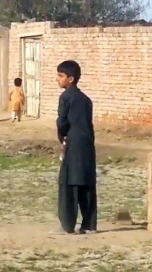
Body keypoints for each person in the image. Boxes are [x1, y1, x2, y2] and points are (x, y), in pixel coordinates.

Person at [51, 60, 97, 235]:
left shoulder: (65, 97)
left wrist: (62, 137)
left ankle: (67, 225)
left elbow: (62, 122)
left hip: (73, 143)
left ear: (71, 79)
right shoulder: (86, 99)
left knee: (68, 182)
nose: (58, 79)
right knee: (86, 182)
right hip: (87, 144)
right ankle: (89, 224)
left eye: (61, 76)